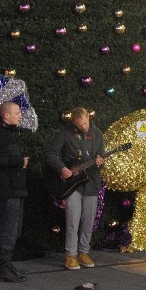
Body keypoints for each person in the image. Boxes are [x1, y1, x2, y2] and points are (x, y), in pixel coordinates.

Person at [46, 107, 105, 270]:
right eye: (79, 125)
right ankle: (70, 255)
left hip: (91, 182)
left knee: (88, 220)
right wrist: (62, 168)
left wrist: (101, 163)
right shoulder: (65, 133)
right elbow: (51, 154)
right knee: (72, 219)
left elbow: (102, 157)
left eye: (85, 123)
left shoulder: (98, 134)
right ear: (74, 122)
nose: (83, 127)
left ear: (88, 118)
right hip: (72, 184)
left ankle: (83, 252)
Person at [0, 101, 29, 283]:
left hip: (16, 188)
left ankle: (8, 264)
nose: (20, 115)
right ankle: (4, 266)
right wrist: (19, 161)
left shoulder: (7, 133)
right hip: (7, 189)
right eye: (17, 113)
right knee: (8, 229)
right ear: (6, 116)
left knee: (14, 229)